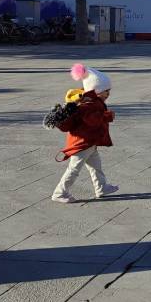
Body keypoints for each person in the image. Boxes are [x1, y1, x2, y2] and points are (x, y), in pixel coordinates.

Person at [51, 63, 119, 203]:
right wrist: (107, 116)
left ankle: (101, 187)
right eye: (106, 91)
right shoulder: (89, 104)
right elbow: (92, 120)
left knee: (96, 166)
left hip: (89, 141)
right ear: (97, 90)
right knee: (74, 169)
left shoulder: (92, 101)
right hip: (82, 143)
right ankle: (59, 192)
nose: (108, 94)